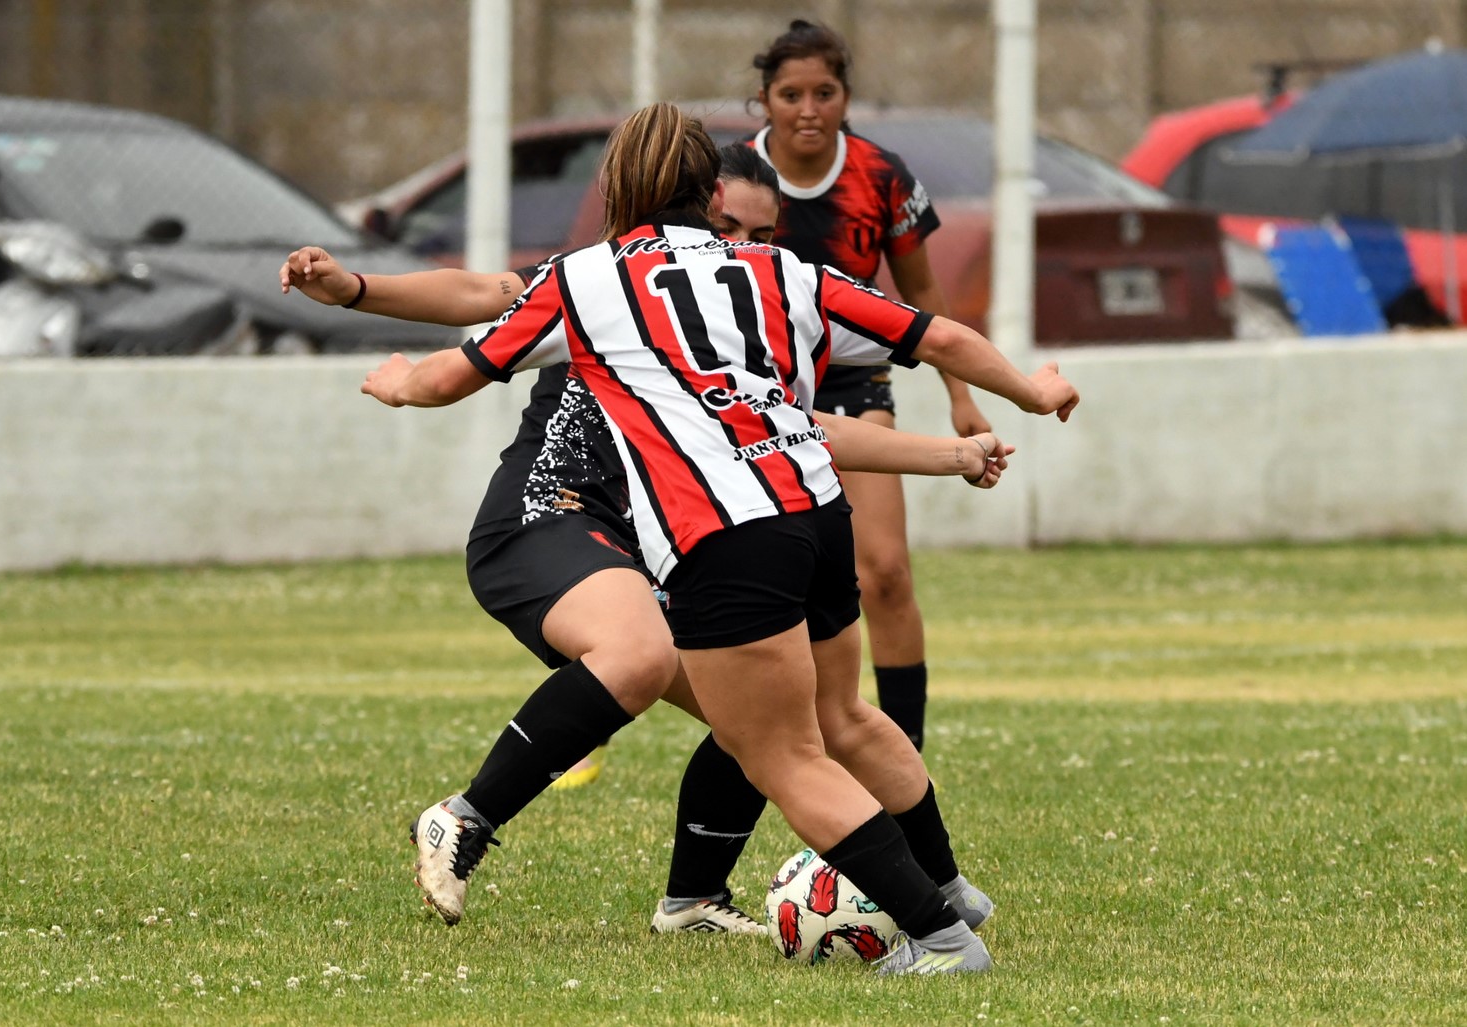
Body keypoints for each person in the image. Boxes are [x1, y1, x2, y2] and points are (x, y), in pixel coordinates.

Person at [359, 103, 1078, 975]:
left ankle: (942, 938)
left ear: (616, 190)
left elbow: (450, 374)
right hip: (818, 513)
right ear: (710, 196)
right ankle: (949, 889)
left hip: (723, 533)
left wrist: (398, 381)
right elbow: (942, 336)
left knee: (784, 755)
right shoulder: (781, 269)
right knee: (843, 716)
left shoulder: (585, 278)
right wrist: (1032, 391)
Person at [749, 19, 987, 752]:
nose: (808, 110)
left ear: (846, 97)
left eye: (824, 93)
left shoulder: (882, 176)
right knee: (740, 575)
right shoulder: (734, 177)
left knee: (883, 571)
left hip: (852, 383)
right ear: (764, 101)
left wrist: (960, 393)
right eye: (791, 95)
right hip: (749, 392)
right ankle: (608, 698)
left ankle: (904, 759)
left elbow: (922, 295)